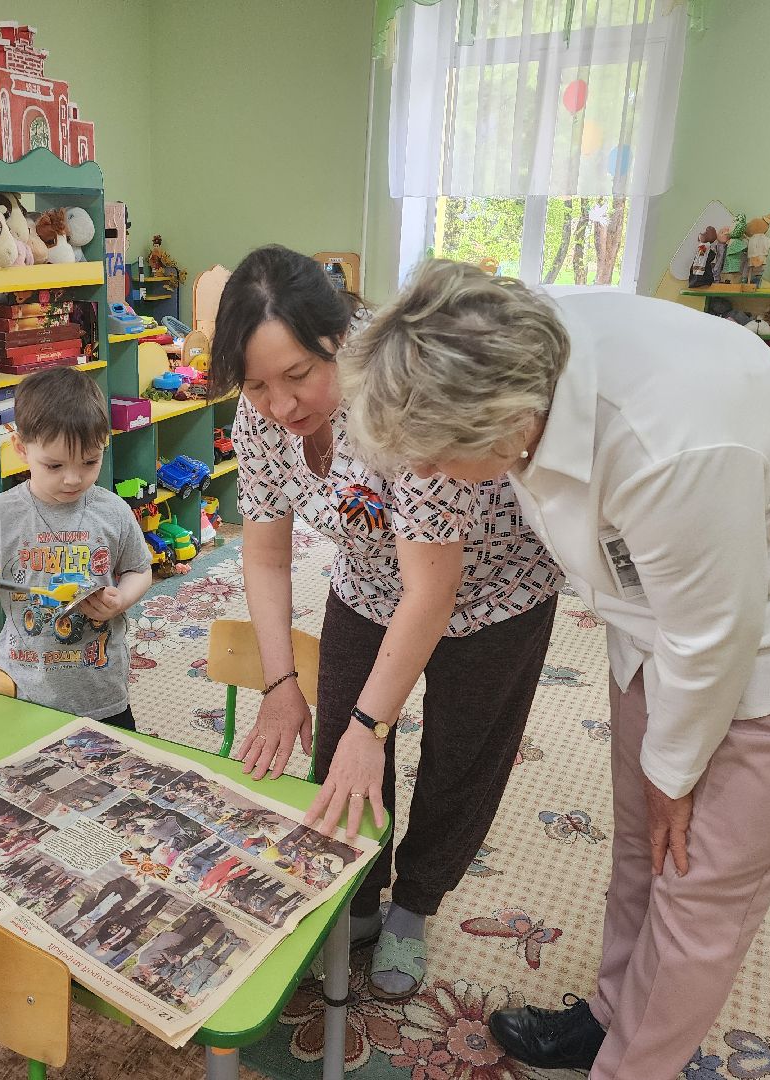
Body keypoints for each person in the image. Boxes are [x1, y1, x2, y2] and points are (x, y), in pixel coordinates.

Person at [337, 260, 770, 1078]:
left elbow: (716, 633)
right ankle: (607, 1020)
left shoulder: (670, 437)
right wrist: (662, 769)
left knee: (698, 895)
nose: (424, 480)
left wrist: (675, 770)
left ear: (496, 426)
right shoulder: (518, 352)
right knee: (643, 847)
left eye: (432, 461)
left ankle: (631, 1063)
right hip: (655, 625)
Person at [209, 245, 560, 1000]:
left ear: (342, 336)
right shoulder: (263, 415)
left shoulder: (400, 393)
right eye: (259, 384)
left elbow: (432, 590)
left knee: (461, 755)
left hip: (494, 586)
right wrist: (279, 683)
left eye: (299, 375)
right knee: (341, 746)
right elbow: (265, 555)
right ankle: (359, 898)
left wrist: (375, 726)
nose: (280, 404)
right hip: (369, 581)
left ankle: (416, 905)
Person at [0, 367, 153, 730]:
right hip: (23, 689)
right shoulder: (0, 514)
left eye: (90, 461)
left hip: (101, 691)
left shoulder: (112, 509)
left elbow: (139, 569)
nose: (73, 478)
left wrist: (123, 599)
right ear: (22, 449)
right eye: (53, 465)